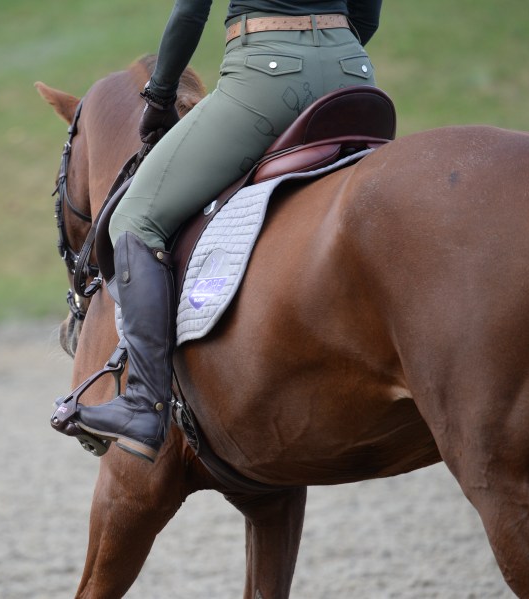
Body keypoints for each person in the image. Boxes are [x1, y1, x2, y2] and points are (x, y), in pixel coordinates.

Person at [72, 0, 382, 463]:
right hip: (353, 71)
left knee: (134, 220)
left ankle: (142, 403)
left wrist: (158, 98)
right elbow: (368, 12)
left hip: (268, 77)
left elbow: (190, 13)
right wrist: (330, 51)